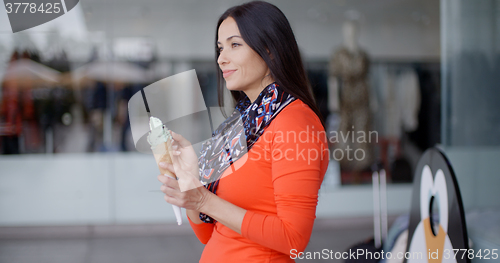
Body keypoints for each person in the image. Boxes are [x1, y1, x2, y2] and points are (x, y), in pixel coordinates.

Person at [157, 1, 329, 262]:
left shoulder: (294, 122)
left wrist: (203, 200)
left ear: (270, 50)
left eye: (235, 45)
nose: (221, 58)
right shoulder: (240, 124)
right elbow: (208, 234)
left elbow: (294, 239)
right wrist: (191, 179)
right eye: (220, 48)